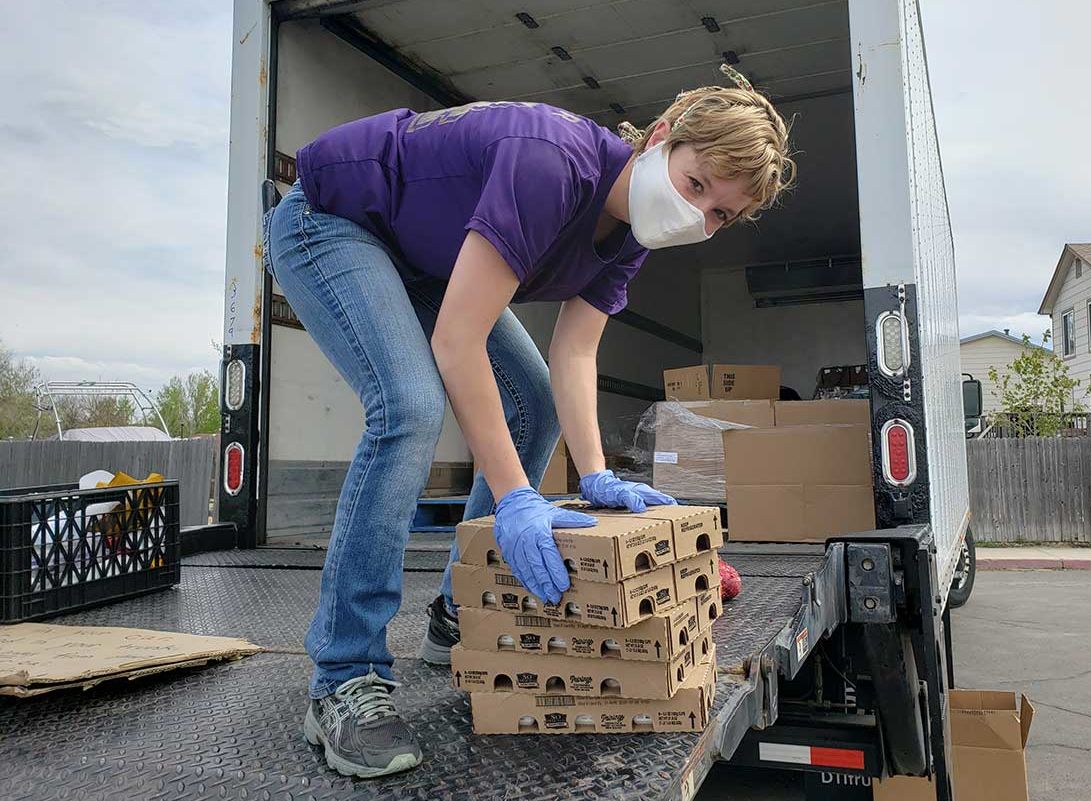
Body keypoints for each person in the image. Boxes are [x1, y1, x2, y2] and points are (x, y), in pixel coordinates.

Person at [264, 63, 794, 778]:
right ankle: (343, 674)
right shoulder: (552, 164)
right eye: (696, 184)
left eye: (720, 215)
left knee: (535, 402)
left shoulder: (632, 234)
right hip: (331, 221)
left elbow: (574, 352)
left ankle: (461, 607)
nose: (696, 215)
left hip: (421, 259)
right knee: (410, 405)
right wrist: (516, 496)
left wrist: (597, 473)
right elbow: (457, 341)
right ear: (661, 137)